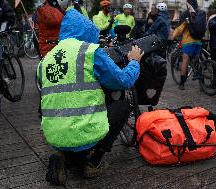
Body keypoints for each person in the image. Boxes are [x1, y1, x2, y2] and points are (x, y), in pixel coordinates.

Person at [37, 8, 144, 185]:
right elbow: (123, 81)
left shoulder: (46, 59)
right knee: (123, 106)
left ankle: (63, 156)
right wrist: (134, 61)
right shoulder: (89, 51)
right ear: (88, 31)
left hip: (54, 134)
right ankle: (93, 161)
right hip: (85, 134)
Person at [173, 0, 202, 90]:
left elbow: (180, 29)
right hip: (199, 41)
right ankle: (202, 84)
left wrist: (175, 34)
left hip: (188, 41)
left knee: (185, 60)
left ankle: (182, 84)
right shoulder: (200, 13)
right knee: (198, 61)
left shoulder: (186, 13)